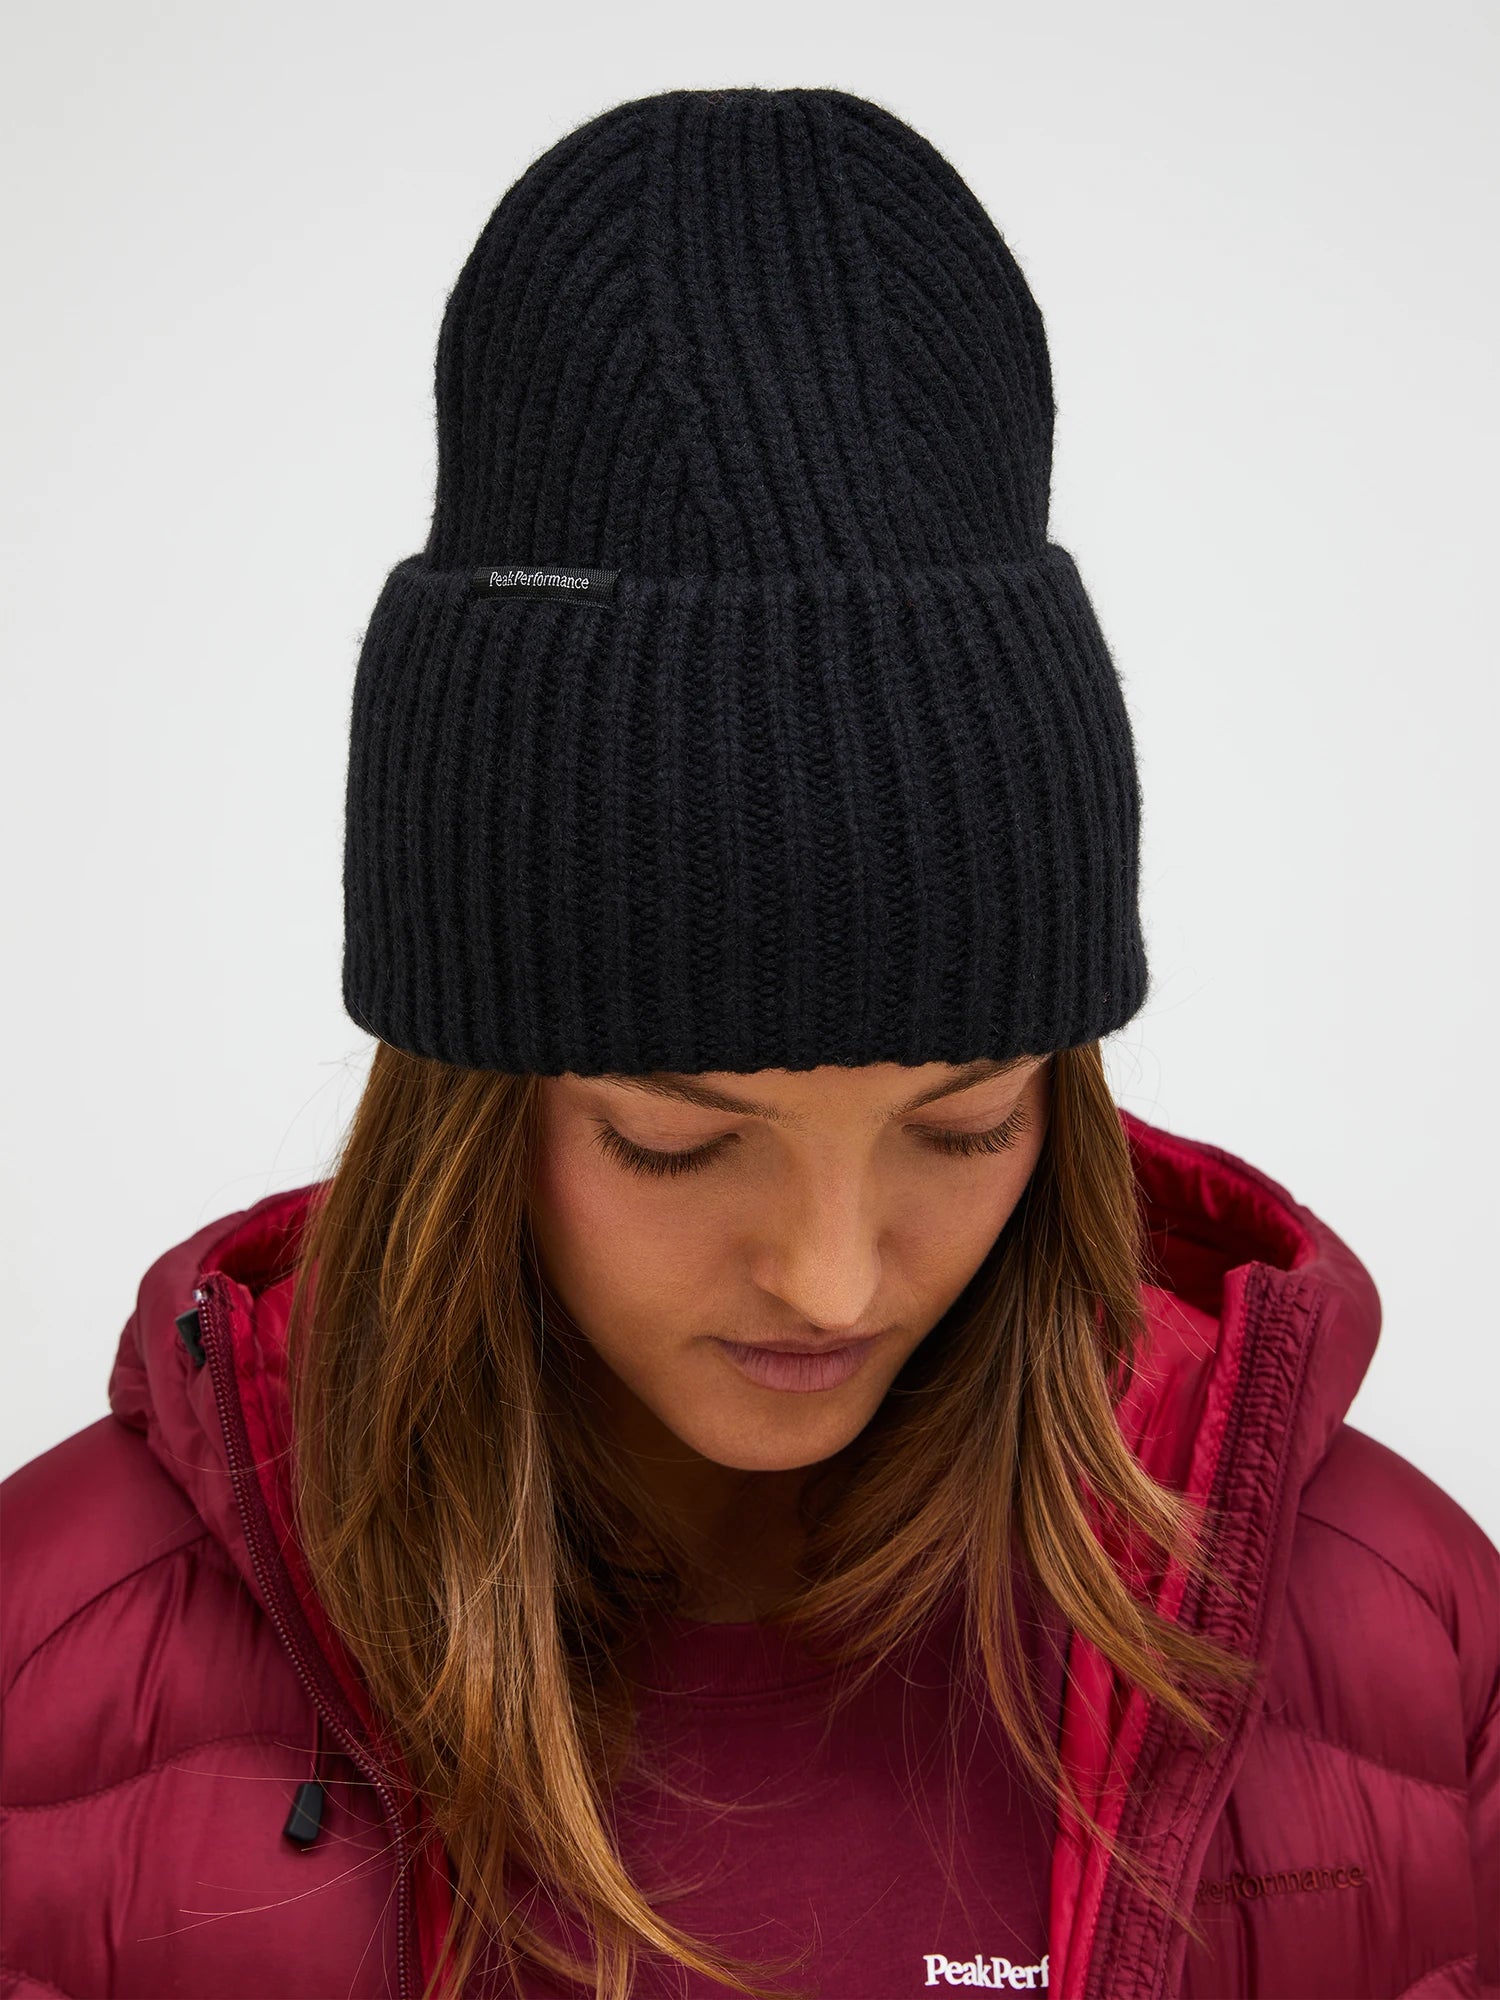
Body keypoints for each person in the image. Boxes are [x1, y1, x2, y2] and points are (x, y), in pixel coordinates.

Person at [2, 84, 1495, 2000]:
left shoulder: (1402, 1653)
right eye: (679, 1141)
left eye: (964, 1123)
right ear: (470, 1102)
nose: (832, 1275)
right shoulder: (59, 1672)